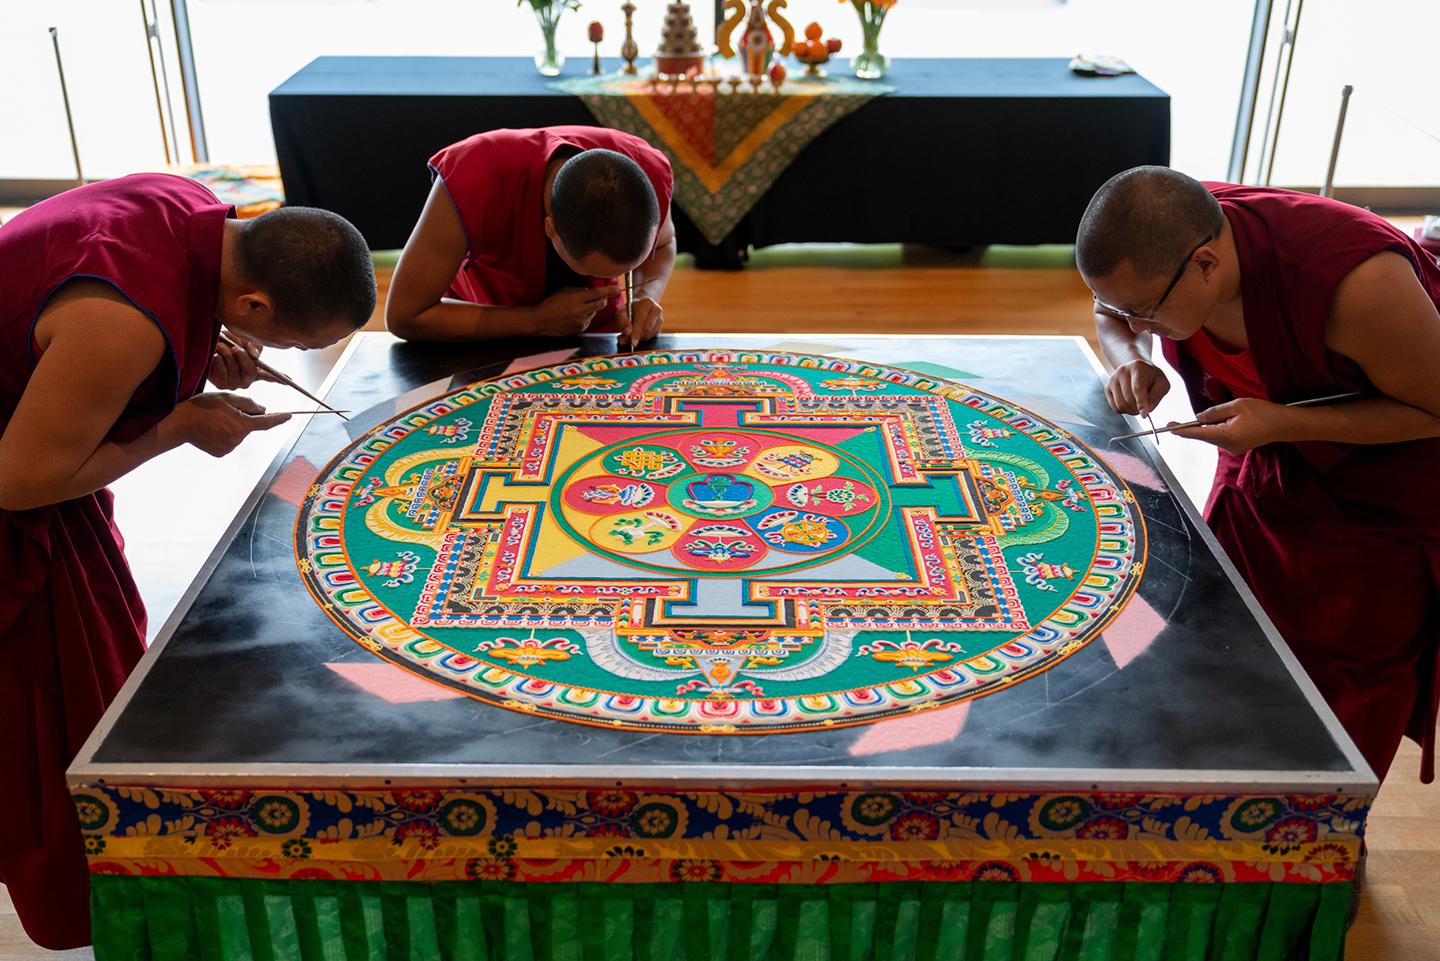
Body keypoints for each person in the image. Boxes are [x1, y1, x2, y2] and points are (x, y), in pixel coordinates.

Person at [0, 173, 376, 948]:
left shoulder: (190, 207)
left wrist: (199, 352)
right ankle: (93, 901)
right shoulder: (123, 323)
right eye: (289, 342)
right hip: (17, 488)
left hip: (47, 424)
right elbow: (21, 481)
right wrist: (177, 426)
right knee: (57, 718)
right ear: (255, 305)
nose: (280, 356)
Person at [1076, 166, 1440, 783]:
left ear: (1207, 266)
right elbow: (1111, 311)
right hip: (1262, 459)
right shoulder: (1167, 235)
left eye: (1147, 313)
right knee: (1220, 630)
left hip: (1382, 502)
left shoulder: (1355, 284)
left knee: (1342, 684)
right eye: (1125, 309)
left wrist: (1284, 424)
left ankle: (1316, 840)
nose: (1135, 323)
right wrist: (1129, 359)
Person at [385, 126, 675, 345]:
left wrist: (644, 296)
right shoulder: (476, 176)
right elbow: (406, 315)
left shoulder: (645, 168)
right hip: (485, 323)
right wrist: (534, 320)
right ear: (549, 228)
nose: (622, 280)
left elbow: (664, 245)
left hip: (597, 332)